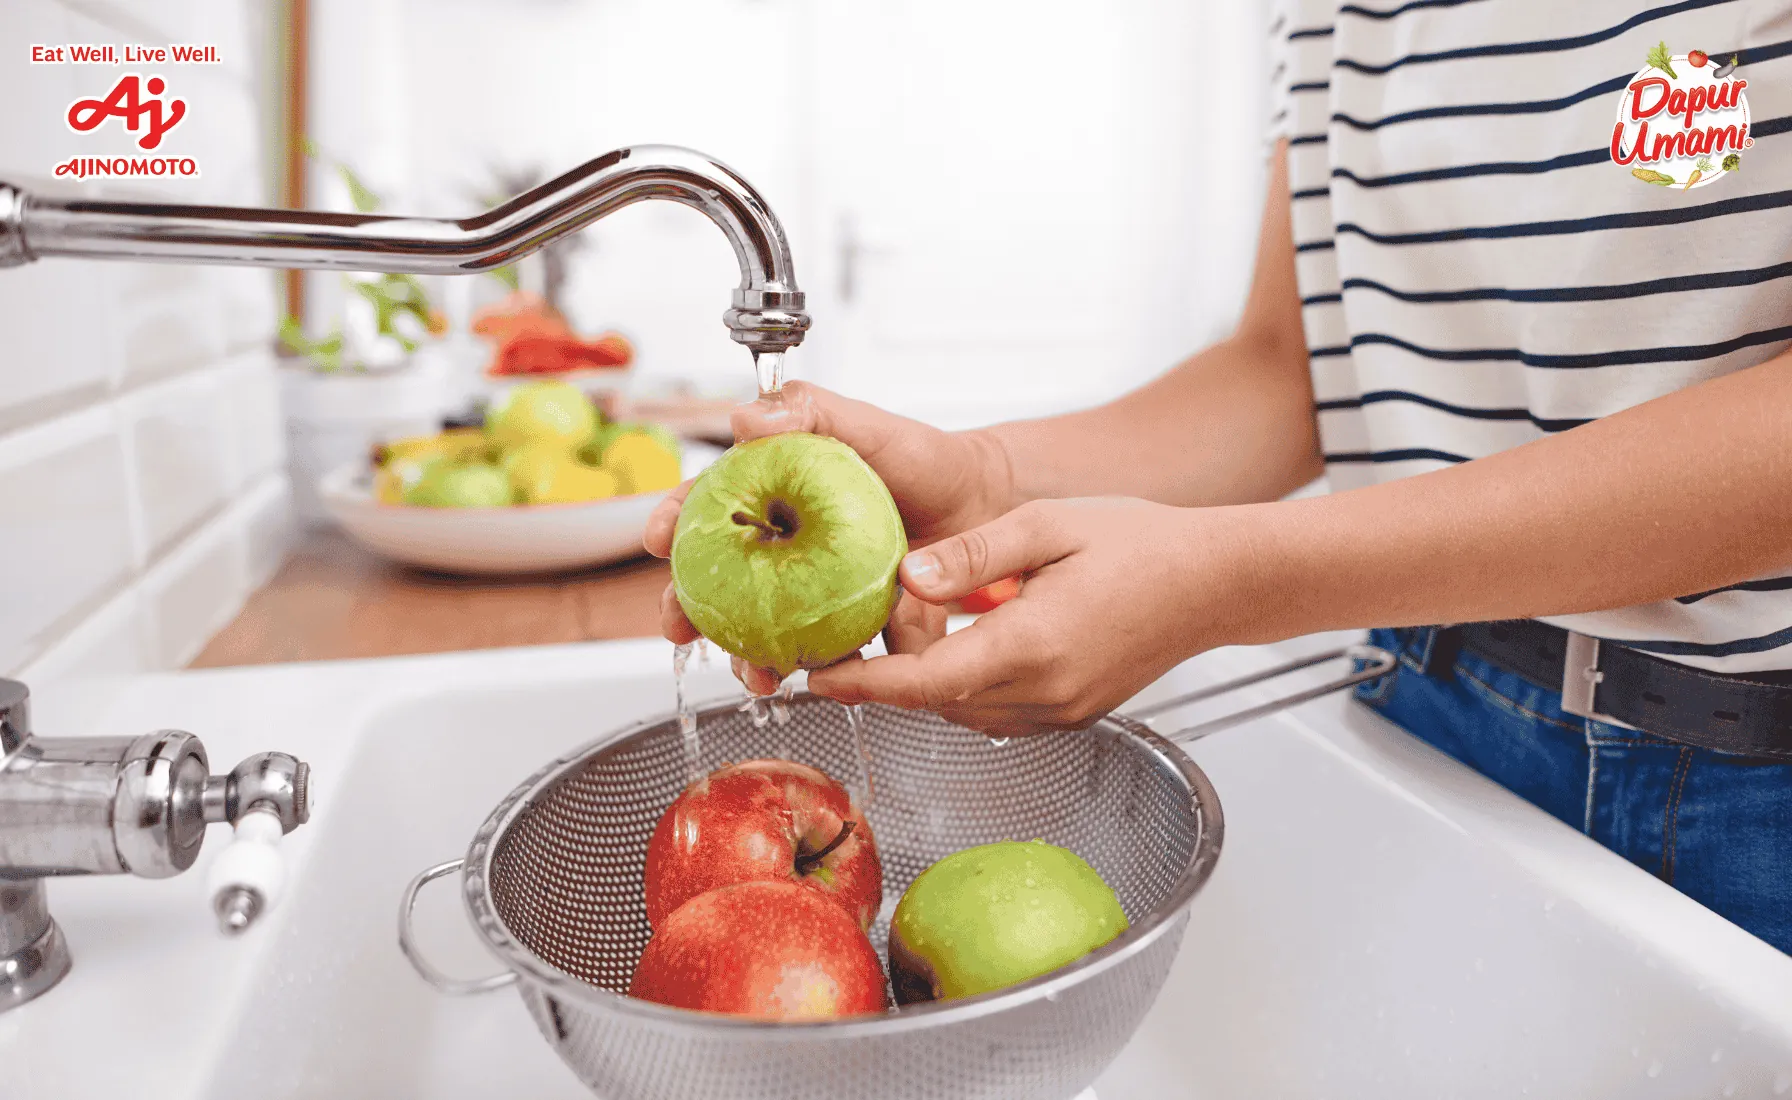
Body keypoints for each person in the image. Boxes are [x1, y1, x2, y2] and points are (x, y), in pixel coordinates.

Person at [646, 2, 1792, 954]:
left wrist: (1234, 580)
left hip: (1741, 785)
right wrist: (988, 479)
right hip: (1425, 695)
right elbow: (1290, 367)